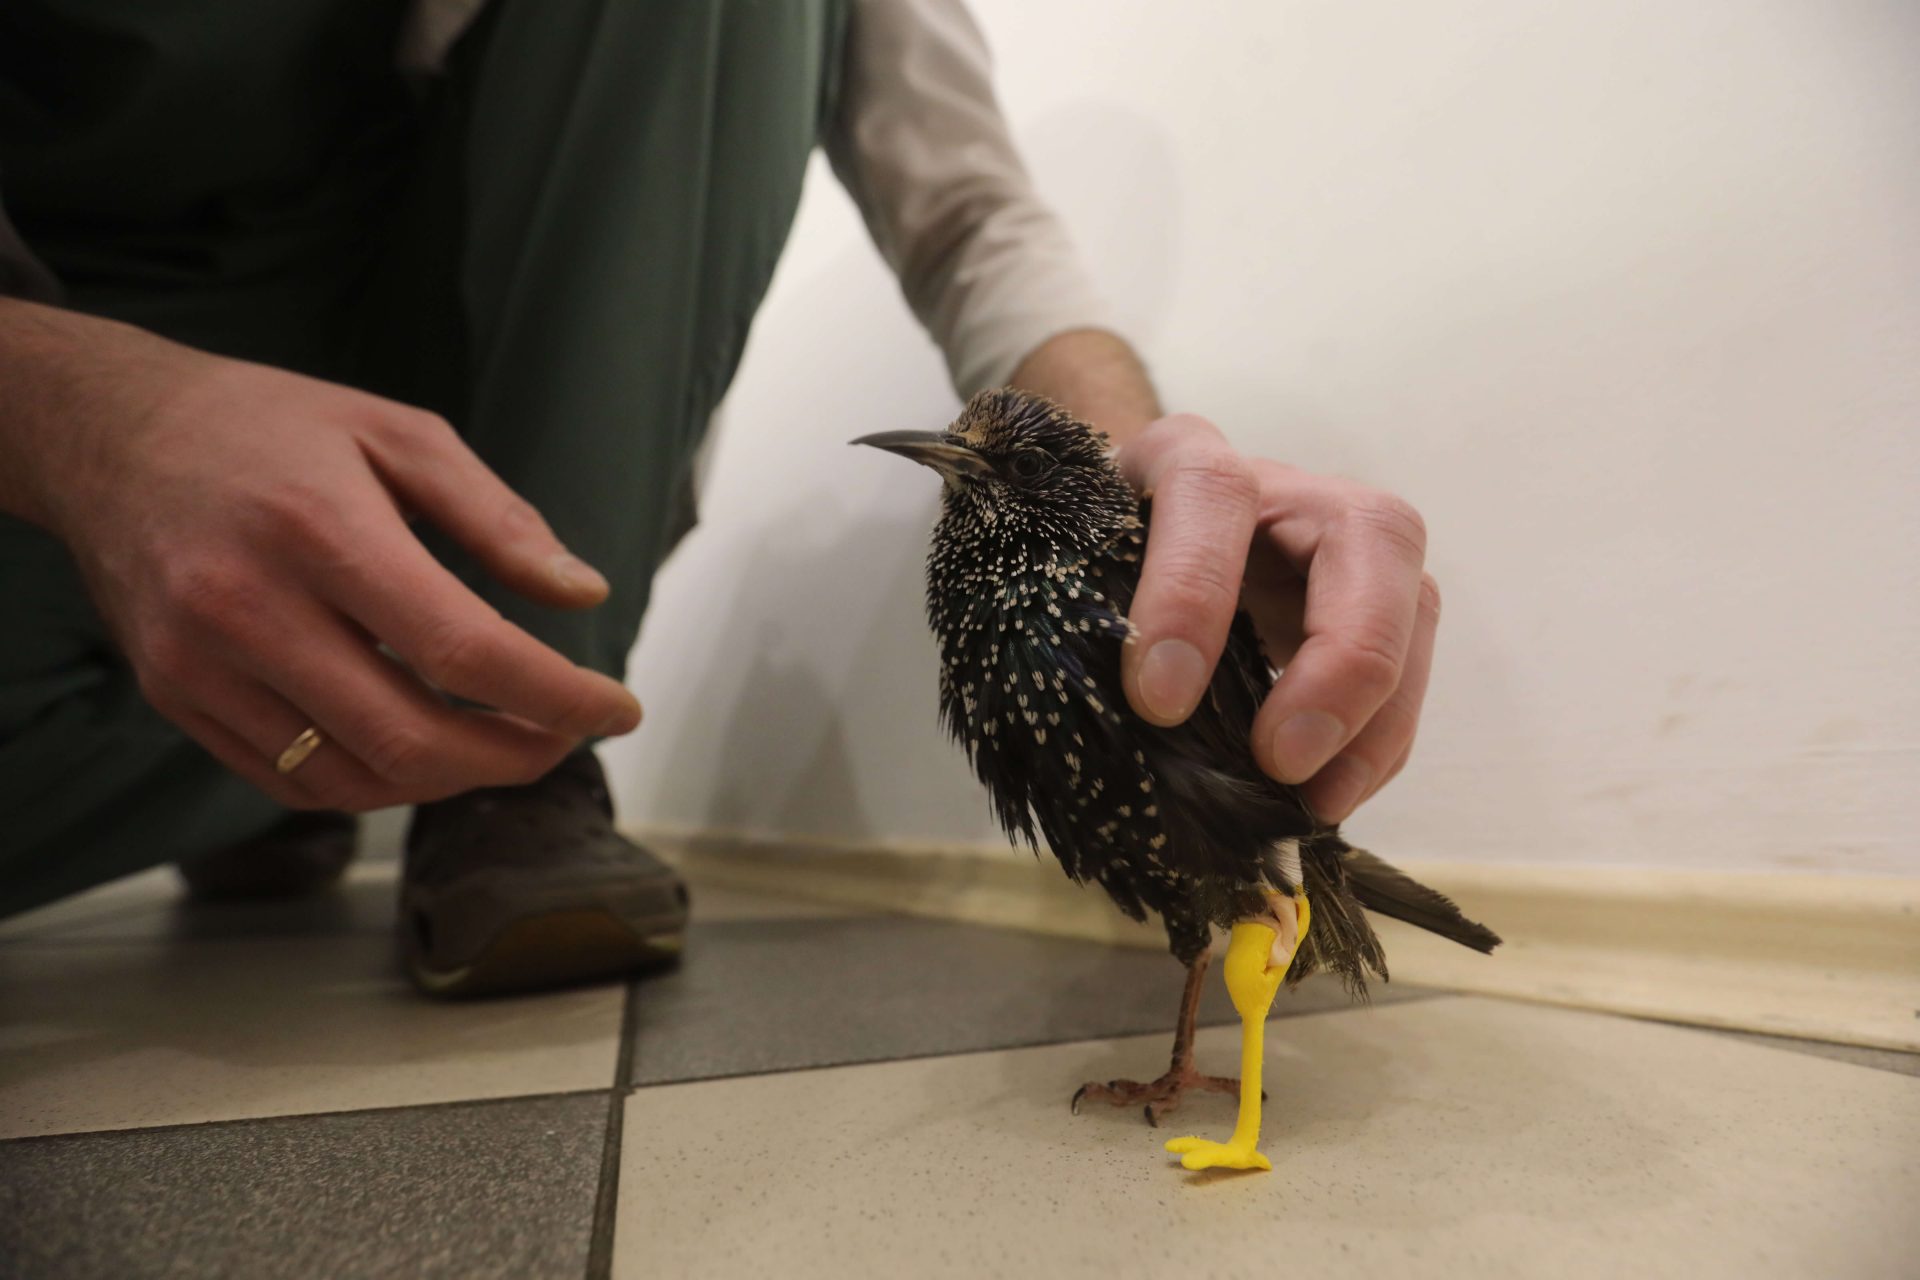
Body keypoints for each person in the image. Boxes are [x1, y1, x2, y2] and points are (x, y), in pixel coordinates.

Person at [0, 0, 1439, 996]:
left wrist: (1142, 485)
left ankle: (496, 741)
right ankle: (323, 748)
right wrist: (71, 411)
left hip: (428, 328)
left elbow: (968, 207)